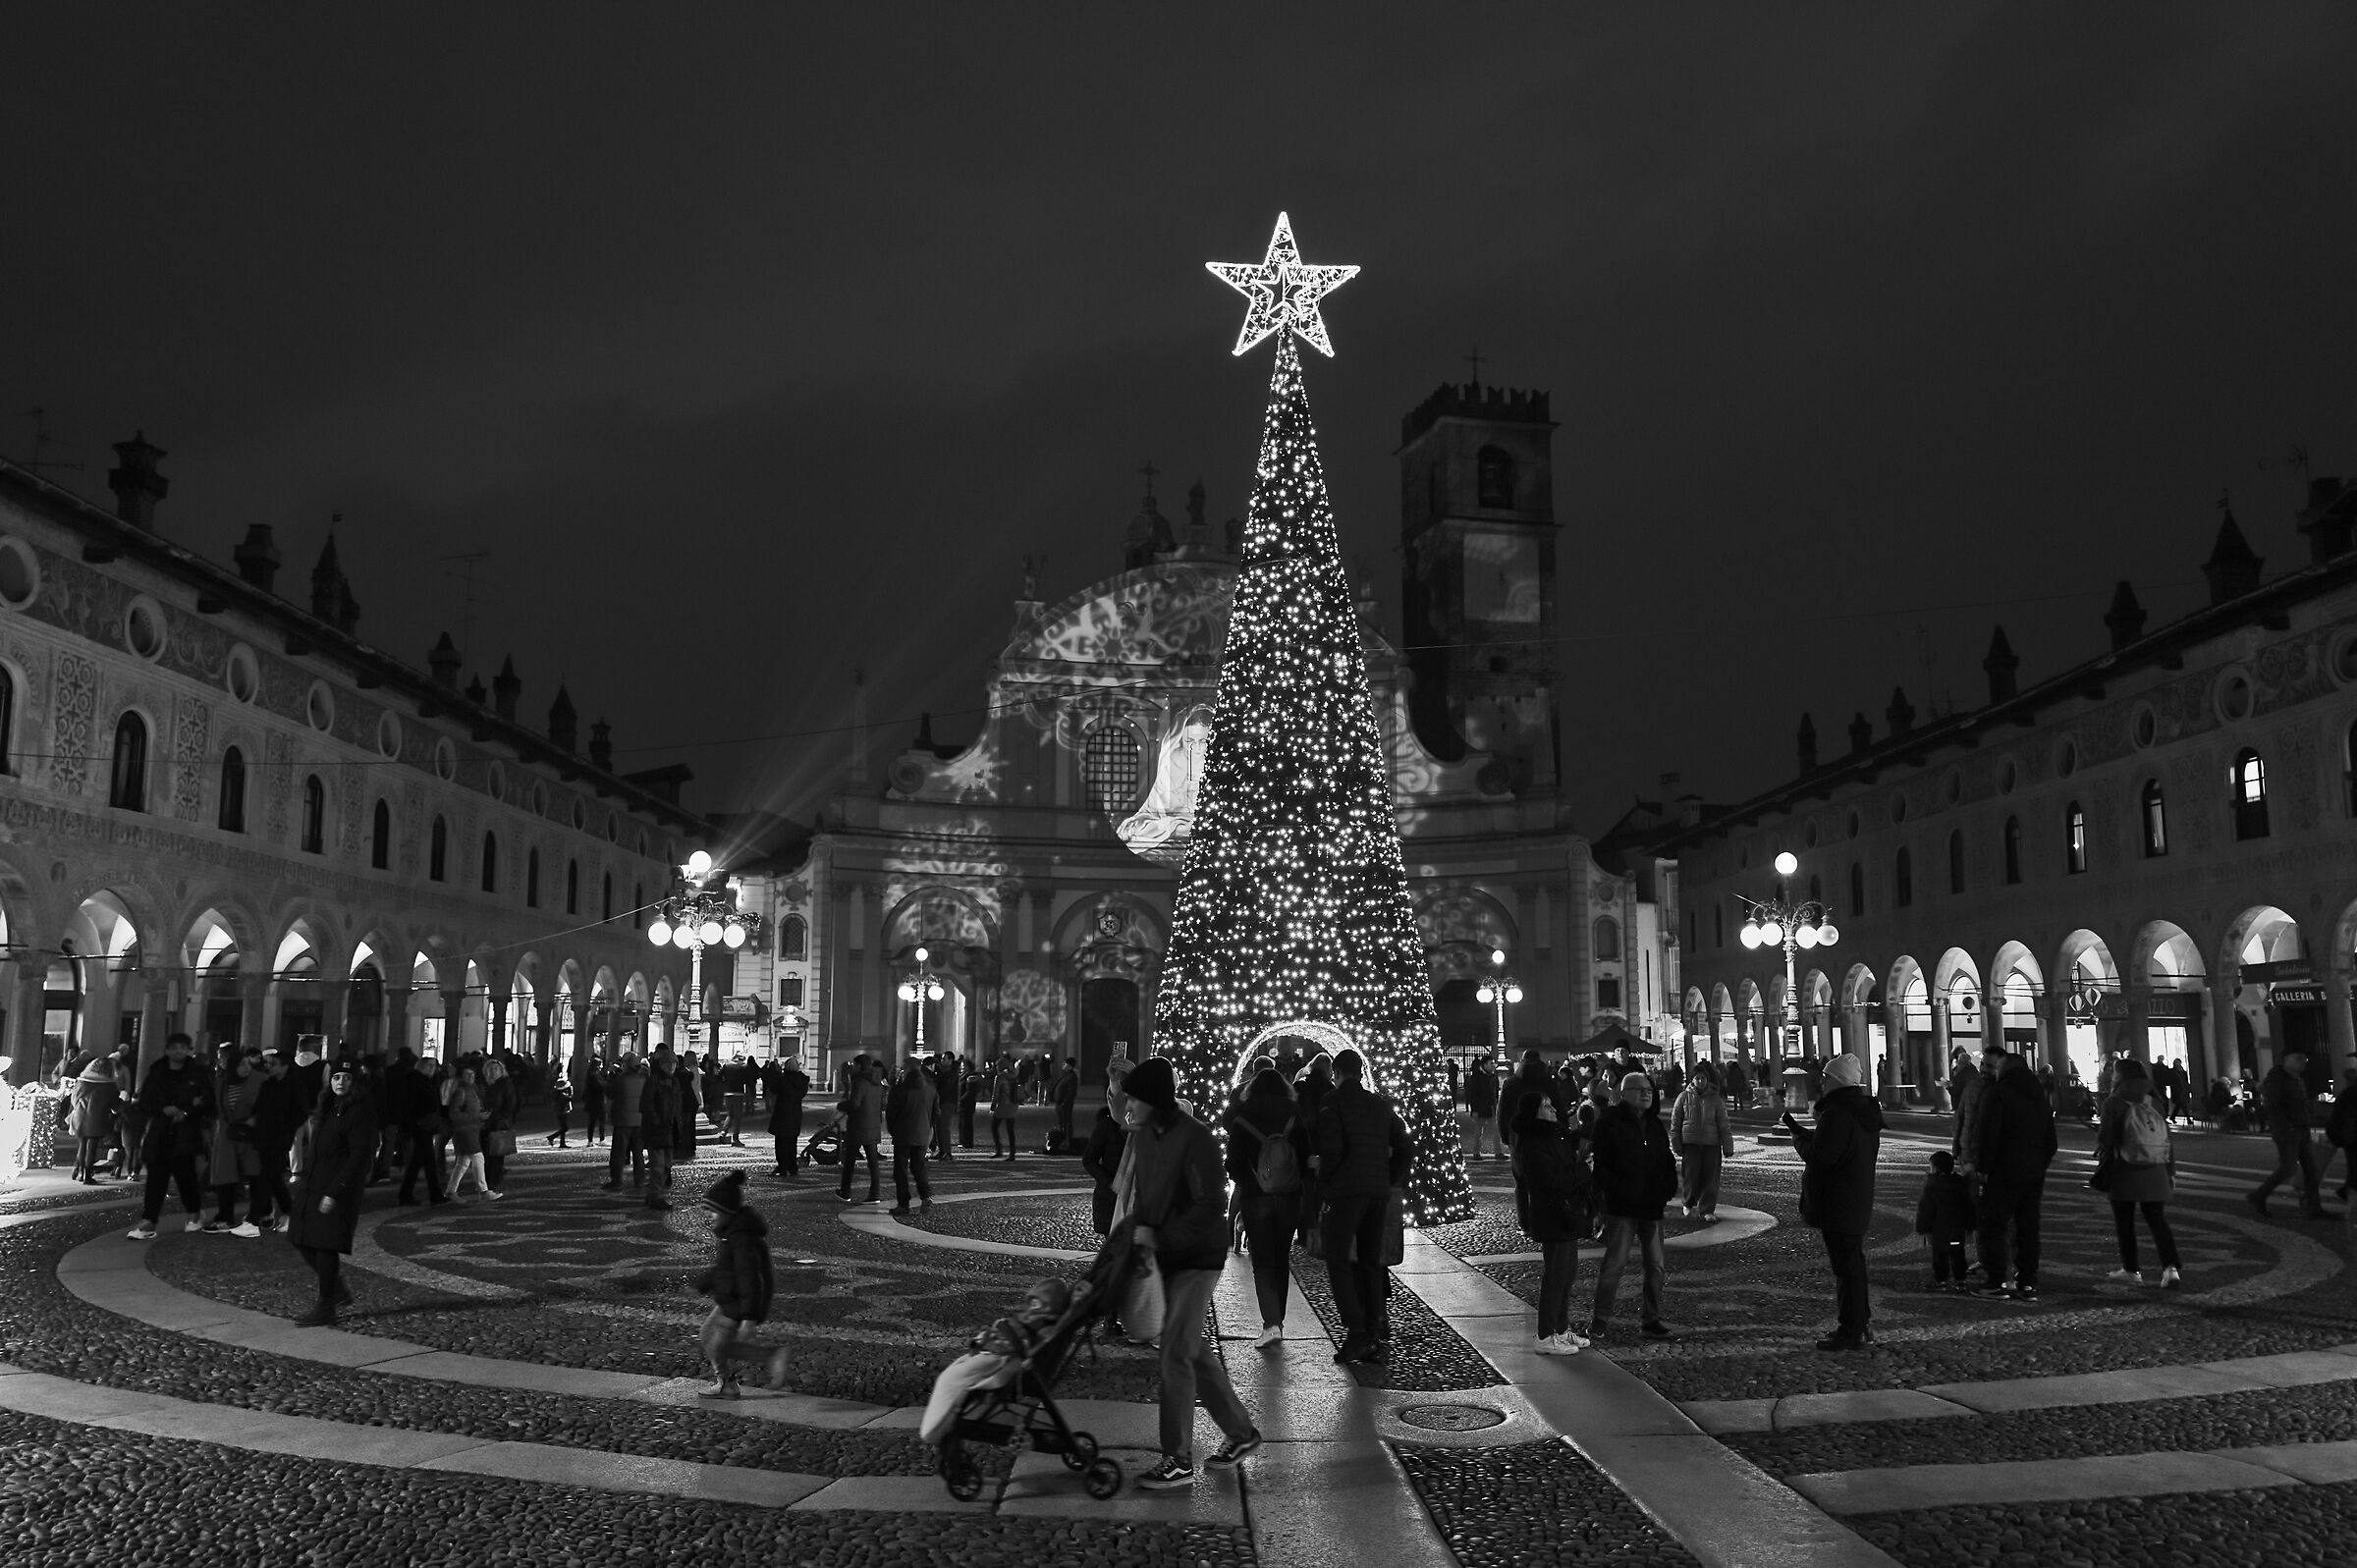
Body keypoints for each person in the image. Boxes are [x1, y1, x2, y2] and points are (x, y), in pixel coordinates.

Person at [1122, 1056, 1261, 1492]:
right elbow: (1146, 1193)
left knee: (1175, 1353)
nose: (1129, 1104)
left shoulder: (1195, 1137)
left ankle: (1177, 1458)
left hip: (1199, 1256)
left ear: (1153, 1100)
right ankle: (1241, 1433)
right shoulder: (1145, 1135)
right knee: (1192, 1349)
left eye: (1134, 1097)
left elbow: (1208, 1205)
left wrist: (1162, 1238)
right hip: (1165, 1255)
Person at [1314, 1048, 1413, 1365]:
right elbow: (1405, 1146)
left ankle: (1356, 1332)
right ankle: (1372, 1331)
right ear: (1360, 1072)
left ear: (1336, 1073)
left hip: (1346, 1191)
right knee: (1370, 1261)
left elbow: (1331, 1149)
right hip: (1377, 1191)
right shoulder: (1381, 1105)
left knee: (1338, 1258)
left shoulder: (1332, 1103)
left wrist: (1325, 1183)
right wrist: (1389, 1178)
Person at [1785, 1053, 1884, 1348]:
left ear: (1837, 1081)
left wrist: (1799, 1139)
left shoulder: (1838, 1113)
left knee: (1846, 1268)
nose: (1822, 1081)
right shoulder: (1861, 1111)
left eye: (1826, 1077)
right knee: (1852, 1264)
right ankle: (1859, 1324)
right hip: (1854, 1197)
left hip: (1838, 1200)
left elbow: (1823, 1156)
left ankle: (1851, 1330)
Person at [919, 1279, 1073, 1446]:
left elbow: (1034, 1344)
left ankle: (936, 1428)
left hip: (1003, 1356)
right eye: (1033, 1301)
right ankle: (940, 1423)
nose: (1034, 1305)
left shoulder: (1045, 1326)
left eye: (1039, 1301)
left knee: (953, 1377)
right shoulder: (1033, 1318)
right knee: (954, 1373)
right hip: (996, 1351)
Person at [1588, 1071, 1678, 1342]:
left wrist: (1667, 1189)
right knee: (1614, 1265)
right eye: (1640, 1090)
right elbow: (1600, 1164)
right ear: (1625, 1094)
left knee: (1656, 1266)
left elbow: (1666, 1158)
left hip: (1652, 1206)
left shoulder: (1654, 1123)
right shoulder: (1609, 1122)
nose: (1647, 1093)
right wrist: (1618, 1189)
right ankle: (1600, 1319)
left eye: (1649, 1089)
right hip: (1622, 1207)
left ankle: (1652, 1319)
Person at [1225, 1064, 1309, 1348]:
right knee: (1280, 1258)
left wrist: (1251, 1182)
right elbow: (1307, 1155)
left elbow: (1233, 1162)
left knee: (1261, 1261)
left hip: (1256, 1198)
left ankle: (1270, 1324)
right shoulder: (1294, 1116)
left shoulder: (1243, 1118)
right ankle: (1279, 1322)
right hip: (1289, 1197)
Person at [290, 1059, 379, 1326]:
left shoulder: (360, 1111)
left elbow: (359, 1155)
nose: (340, 1082)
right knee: (300, 1237)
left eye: (346, 1078)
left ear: (355, 1082)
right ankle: (338, 1290)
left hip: (338, 1188)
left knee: (325, 1244)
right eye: (336, 1077)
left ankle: (326, 1304)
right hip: (314, 1182)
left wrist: (336, 1190)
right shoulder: (328, 1106)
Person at [1972, 1045, 2058, 1302]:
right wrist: (2039, 1164)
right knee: (2028, 1226)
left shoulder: (1998, 1094)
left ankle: (1998, 1281)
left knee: (1994, 1224)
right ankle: (2028, 1282)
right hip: (2033, 1173)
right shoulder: (2040, 1097)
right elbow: (2051, 1142)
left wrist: (1983, 1168)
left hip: (2002, 1170)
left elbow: (1988, 1135)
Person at [691, 1170, 790, 1396]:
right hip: (730, 1298)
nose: (709, 1216)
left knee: (719, 1345)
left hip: (738, 1302)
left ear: (726, 1210)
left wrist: (748, 1319)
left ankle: (764, 1359)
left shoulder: (742, 1239)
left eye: (713, 1211)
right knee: (707, 1335)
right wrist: (702, 1284)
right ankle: (727, 1381)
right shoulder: (731, 1234)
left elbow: (751, 1279)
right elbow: (724, 1269)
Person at [1512, 1095, 1590, 1355]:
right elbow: (1549, 1180)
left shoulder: (1553, 1135)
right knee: (1556, 1276)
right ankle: (1546, 1335)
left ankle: (1560, 1328)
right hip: (1553, 1214)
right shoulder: (1534, 1142)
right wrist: (1583, 1170)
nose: (1553, 1108)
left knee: (1567, 1275)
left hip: (1565, 1212)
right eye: (1546, 1105)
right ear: (1534, 1112)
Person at [2097, 1058, 2182, 1286]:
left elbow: (2106, 1139)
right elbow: (2167, 1138)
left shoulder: (2113, 1102)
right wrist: (2170, 1171)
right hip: (2156, 1167)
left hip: (2124, 1167)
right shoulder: (2154, 1100)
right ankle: (2170, 1269)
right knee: (2157, 1220)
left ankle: (2132, 1270)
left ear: (2119, 1077)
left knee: (2125, 1221)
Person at [127, 1033, 215, 1240]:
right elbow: (144, 1100)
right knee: (156, 1180)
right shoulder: (157, 1072)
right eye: (174, 1047)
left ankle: (194, 1214)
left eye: (183, 1047)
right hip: (159, 1132)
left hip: (185, 1132)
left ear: (189, 1050)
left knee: (186, 1178)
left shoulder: (198, 1073)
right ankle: (149, 1220)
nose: (178, 1051)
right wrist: (163, 1108)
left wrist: (187, 1112)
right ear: (167, 1049)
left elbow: (208, 1101)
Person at [2249, 1051, 2328, 1220]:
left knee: (2311, 1170)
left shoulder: (2295, 1078)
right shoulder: (2278, 1079)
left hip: (2300, 1129)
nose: (2303, 1062)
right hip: (2288, 1131)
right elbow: (2273, 1105)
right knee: (2289, 1167)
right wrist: (2287, 1126)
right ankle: (2259, 1195)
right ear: (2286, 1061)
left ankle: (2315, 1207)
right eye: (2298, 1059)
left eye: (2304, 1059)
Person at [205, 1049, 267, 1233]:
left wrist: (256, 1119)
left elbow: (269, 1105)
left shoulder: (260, 1080)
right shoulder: (223, 1083)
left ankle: (256, 1216)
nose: (246, 1067)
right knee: (225, 1175)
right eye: (241, 1064)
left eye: (248, 1063)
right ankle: (225, 1216)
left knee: (256, 1175)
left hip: (252, 1133)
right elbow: (219, 1107)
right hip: (229, 1132)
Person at [249, 1050, 306, 1234]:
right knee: (272, 1178)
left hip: (279, 1138)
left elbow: (300, 1113)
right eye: (269, 1063)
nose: (269, 1066)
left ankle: (254, 1218)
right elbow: (259, 1108)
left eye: (274, 1064)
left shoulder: (294, 1086)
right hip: (264, 1136)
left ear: (285, 1067)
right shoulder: (268, 1085)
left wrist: (285, 1130)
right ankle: (290, 1212)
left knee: (265, 1177)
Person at [1670, 1061, 1734, 1221]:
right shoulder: (1683, 1097)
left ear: (1707, 1079)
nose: (1700, 1081)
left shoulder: (1715, 1098)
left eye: (1703, 1078)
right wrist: (1675, 1142)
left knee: (1710, 1178)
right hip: (1690, 1143)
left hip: (1711, 1143)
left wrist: (1728, 1145)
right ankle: (1688, 1202)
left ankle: (1707, 1209)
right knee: (1690, 1175)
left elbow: (1724, 1124)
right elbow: (1675, 1122)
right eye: (1697, 1078)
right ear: (1692, 1080)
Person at [1915, 1151, 1976, 1289]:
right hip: (1957, 1230)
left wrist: (1922, 1227)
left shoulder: (1932, 1187)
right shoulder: (1960, 1185)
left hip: (1939, 1231)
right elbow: (1969, 1206)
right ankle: (1961, 1280)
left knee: (1940, 1255)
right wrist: (1971, 1224)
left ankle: (1941, 1280)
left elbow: (1926, 1210)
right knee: (1958, 1253)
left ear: (1934, 1168)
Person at [887, 1059, 938, 1217]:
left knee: (901, 1171)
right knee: (919, 1167)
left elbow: (891, 1114)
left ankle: (903, 1204)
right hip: (922, 1135)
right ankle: (926, 1197)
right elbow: (936, 1113)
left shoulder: (899, 1090)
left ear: (907, 1071)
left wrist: (894, 1130)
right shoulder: (930, 1089)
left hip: (903, 1134)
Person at [68, 1051, 122, 1185]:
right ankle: (87, 1175)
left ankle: (80, 1171)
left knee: (82, 1145)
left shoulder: (81, 1081)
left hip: (80, 1117)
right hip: (97, 1119)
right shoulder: (109, 1085)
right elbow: (115, 1106)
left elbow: (74, 1100)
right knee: (92, 1147)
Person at [837, 1054, 885, 1202]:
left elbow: (855, 1103)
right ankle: (875, 1193)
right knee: (873, 1162)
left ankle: (846, 1191)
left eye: (855, 1064)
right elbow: (882, 1104)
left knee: (849, 1160)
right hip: (873, 1125)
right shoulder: (878, 1083)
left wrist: (842, 1105)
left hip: (858, 1126)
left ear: (859, 1066)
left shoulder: (860, 1081)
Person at [443, 1060, 493, 1201]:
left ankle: (451, 1191)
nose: (471, 1076)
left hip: (470, 1128)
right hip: (464, 1130)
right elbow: (454, 1113)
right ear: (461, 1077)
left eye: (472, 1074)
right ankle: (483, 1191)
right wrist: (476, 1116)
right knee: (477, 1158)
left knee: (463, 1162)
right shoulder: (461, 1091)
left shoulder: (470, 1089)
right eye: (467, 1074)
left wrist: (479, 1116)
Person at [602, 1055, 649, 1192]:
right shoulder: (644, 1079)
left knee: (619, 1152)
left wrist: (610, 1078)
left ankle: (617, 1180)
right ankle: (639, 1180)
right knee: (638, 1152)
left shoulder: (622, 1079)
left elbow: (610, 1093)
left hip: (623, 1120)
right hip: (639, 1120)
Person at [641, 1051, 681, 1210]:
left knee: (666, 1165)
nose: (671, 1067)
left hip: (669, 1128)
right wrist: (655, 1121)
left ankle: (653, 1194)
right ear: (661, 1065)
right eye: (667, 1064)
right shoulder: (654, 1082)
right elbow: (647, 1105)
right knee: (657, 1165)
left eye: (673, 1064)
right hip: (656, 1129)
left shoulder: (674, 1082)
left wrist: (678, 1123)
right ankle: (656, 1196)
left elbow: (676, 1105)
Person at [1081, 1103, 1127, 1235]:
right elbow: (1089, 1159)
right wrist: (1110, 1182)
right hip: (1110, 1198)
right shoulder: (1107, 1126)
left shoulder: (1146, 1125)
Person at [479, 1056, 518, 1198]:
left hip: (498, 1123)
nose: (494, 1071)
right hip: (486, 1123)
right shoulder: (488, 1084)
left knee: (495, 1153)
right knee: (486, 1153)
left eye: (496, 1069)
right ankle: (490, 1178)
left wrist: (498, 1116)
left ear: (502, 1071)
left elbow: (510, 1104)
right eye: (491, 1069)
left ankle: (493, 1180)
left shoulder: (505, 1084)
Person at [770, 1054, 811, 1178]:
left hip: (782, 1113)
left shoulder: (783, 1079)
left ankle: (782, 1167)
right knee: (792, 1142)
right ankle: (792, 1167)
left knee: (781, 1142)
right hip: (795, 1113)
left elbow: (773, 1088)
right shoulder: (802, 1080)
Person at [2327, 1065, 2357, 1204]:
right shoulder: (2349, 1094)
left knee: (2354, 1171)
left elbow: (2337, 1119)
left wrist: (2338, 1139)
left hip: (2351, 1140)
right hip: (2352, 1140)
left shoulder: (2347, 1094)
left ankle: (2347, 1192)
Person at [1465, 1056, 1501, 1160]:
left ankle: (1498, 1152)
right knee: (1478, 1132)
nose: (1493, 1065)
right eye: (1491, 1063)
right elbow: (1473, 1094)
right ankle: (1476, 1152)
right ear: (1484, 1065)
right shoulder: (1477, 1077)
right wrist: (1474, 1109)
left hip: (1491, 1107)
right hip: (1480, 1108)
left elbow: (1495, 1094)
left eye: (1493, 1063)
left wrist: (1496, 1105)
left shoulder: (1494, 1077)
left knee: (1496, 1131)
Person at [988, 1057, 1019, 1161]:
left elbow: (996, 1093)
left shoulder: (1000, 1077)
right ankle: (1012, 1153)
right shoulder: (1014, 1075)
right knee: (1010, 1130)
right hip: (1013, 1104)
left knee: (994, 1127)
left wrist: (993, 1106)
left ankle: (999, 1150)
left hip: (1003, 1105)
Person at [1051, 1055, 1080, 1149]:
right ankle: (1062, 1139)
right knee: (1062, 1123)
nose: (1063, 1065)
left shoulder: (1072, 1077)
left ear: (1070, 1066)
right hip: (1060, 1103)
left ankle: (1067, 1140)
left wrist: (1064, 1102)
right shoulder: (1065, 1075)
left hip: (1065, 1104)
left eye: (1065, 1064)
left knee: (1066, 1123)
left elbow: (1071, 1092)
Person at [581, 1058, 608, 1146]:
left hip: (592, 1101)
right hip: (597, 1101)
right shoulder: (594, 1075)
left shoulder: (591, 1074)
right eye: (600, 1065)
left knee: (592, 1121)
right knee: (600, 1120)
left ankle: (591, 1140)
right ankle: (601, 1139)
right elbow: (602, 1086)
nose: (601, 1067)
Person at [546, 1069, 574, 1149]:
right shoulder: (562, 1095)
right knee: (565, 1128)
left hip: (559, 1111)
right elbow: (569, 1098)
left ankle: (562, 1142)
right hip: (561, 1112)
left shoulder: (557, 1093)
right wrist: (571, 1092)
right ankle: (552, 1137)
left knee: (563, 1127)